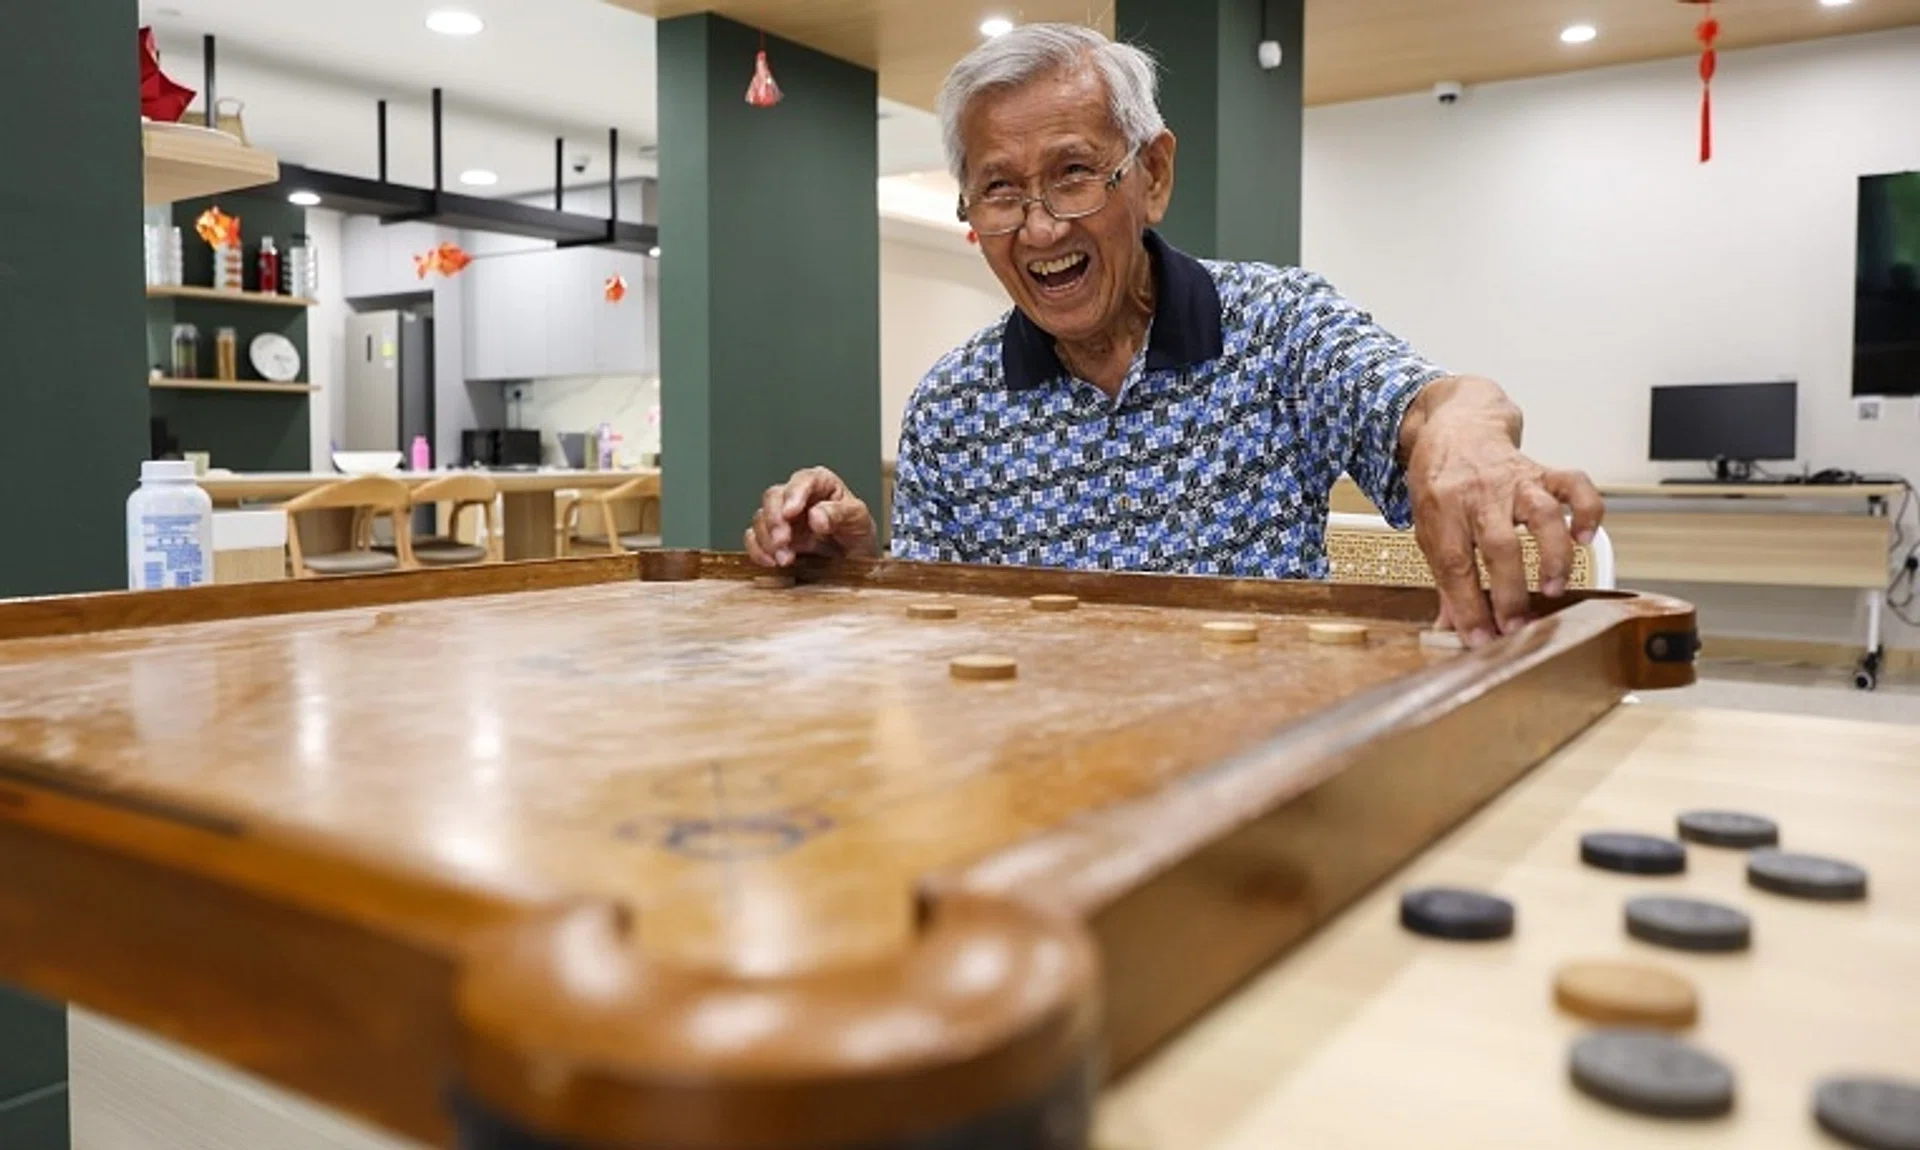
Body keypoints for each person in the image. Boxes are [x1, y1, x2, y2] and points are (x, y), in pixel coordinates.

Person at [746, 23, 1602, 649]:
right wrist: (857, 574)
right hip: (1032, 783)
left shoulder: (1278, 327)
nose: (1040, 229)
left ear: (1151, 175)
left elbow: (1429, 408)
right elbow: (934, 631)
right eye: (1000, 192)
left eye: (1074, 174)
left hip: (1263, 768)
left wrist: (1465, 423)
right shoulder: (950, 406)